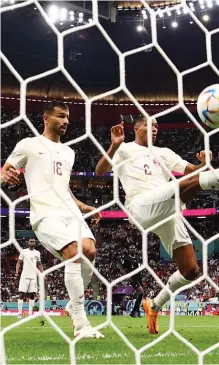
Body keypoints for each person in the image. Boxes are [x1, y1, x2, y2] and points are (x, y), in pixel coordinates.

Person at [95, 117, 219, 334]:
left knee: (190, 269)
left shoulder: (165, 153)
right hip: (140, 205)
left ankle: (154, 305)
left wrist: (204, 164)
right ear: (136, 128)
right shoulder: (124, 149)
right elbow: (100, 172)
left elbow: (193, 173)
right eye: (149, 125)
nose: (154, 129)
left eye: (157, 126)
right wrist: (114, 145)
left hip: (166, 208)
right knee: (184, 185)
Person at [1, 101, 103, 339]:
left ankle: (71, 304)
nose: (66, 120)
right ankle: (81, 323)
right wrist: (7, 177)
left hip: (69, 211)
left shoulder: (69, 152)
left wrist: (84, 206)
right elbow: (4, 172)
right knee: (73, 252)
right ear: (46, 118)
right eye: (61, 116)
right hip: (44, 214)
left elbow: (64, 188)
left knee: (89, 251)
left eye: (67, 116)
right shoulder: (28, 145)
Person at [15, 238, 43, 319]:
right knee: (21, 294)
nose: (32, 242)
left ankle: (30, 313)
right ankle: (19, 313)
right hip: (24, 276)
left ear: (35, 243)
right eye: (31, 241)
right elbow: (19, 262)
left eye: (33, 241)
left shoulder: (37, 253)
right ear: (28, 242)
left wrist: (43, 273)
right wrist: (17, 271)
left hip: (33, 276)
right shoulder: (23, 251)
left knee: (32, 295)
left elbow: (39, 264)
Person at [120, 247, 143, 318]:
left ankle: (135, 312)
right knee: (141, 291)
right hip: (132, 278)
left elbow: (140, 265)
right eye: (131, 248)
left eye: (133, 248)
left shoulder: (138, 257)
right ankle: (135, 311)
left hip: (139, 277)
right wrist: (127, 276)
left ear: (135, 249)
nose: (132, 249)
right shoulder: (127, 259)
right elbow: (121, 269)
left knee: (140, 294)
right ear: (129, 250)